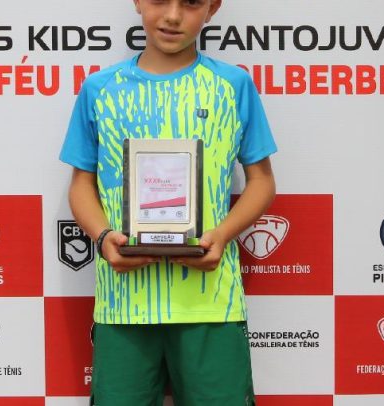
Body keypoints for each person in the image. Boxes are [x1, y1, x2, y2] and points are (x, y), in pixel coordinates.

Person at [59, 0, 277, 404]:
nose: (174, 16)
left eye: (191, 3)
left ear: (212, 8)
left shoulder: (232, 85)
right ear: (138, 1)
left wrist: (221, 235)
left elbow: (262, 181)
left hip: (212, 302)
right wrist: (104, 237)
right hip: (123, 304)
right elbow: (80, 184)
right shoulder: (100, 89)